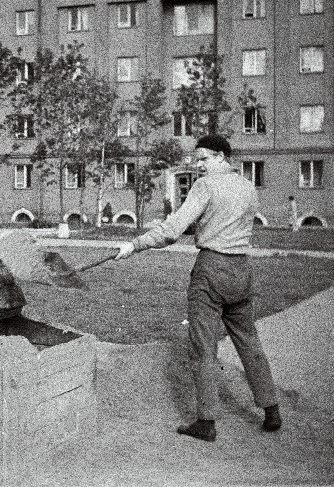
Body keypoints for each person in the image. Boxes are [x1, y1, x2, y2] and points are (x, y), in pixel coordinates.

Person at [115, 134, 281, 442]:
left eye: (203, 158)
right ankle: (271, 410)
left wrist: (134, 245)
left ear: (221, 156)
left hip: (211, 270)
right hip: (242, 270)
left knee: (203, 348)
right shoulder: (248, 186)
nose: (198, 164)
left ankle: (206, 422)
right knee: (249, 340)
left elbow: (172, 231)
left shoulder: (204, 186)